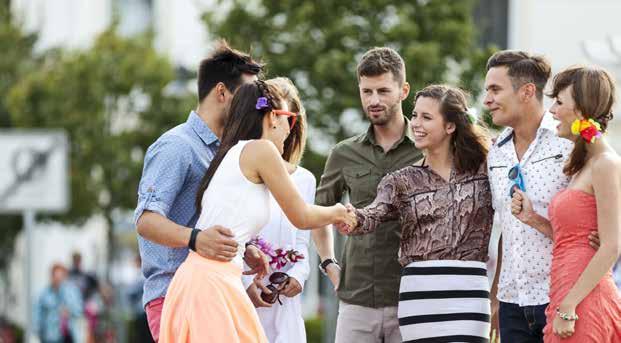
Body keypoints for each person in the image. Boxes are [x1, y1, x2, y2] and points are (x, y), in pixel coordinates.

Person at [158, 80, 354, 342]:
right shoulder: (261, 150)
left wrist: (247, 250)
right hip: (212, 286)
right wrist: (339, 212)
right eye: (290, 120)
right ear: (273, 117)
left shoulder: (233, 154)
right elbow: (302, 216)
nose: (289, 131)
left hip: (209, 280)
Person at [338, 84, 493, 342]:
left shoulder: (485, 170)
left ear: (451, 126)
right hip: (420, 297)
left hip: (470, 295)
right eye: (416, 115)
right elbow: (373, 214)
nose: (416, 124)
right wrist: (352, 218)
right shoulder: (400, 180)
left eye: (426, 117)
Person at [133, 40, 265, 342]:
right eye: (249, 97)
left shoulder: (230, 152)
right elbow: (146, 221)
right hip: (173, 296)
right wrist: (196, 239)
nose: (255, 107)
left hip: (214, 295)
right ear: (221, 92)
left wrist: (244, 252)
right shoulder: (176, 147)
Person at [314, 46, 421, 343]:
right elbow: (318, 214)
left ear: (404, 90)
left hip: (413, 298)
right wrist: (328, 264)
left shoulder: (428, 150)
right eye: (367, 91)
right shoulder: (343, 153)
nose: (374, 100)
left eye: (383, 91)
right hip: (356, 298)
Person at [511, 65, 621, 342]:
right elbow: (570, 239)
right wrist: (533, 218)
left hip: (583, 298)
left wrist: (570, 306)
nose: (552, 111)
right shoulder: (584, 165)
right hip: (564, 291)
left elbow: (611, 245)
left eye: (559, 102)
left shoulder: (606, 164)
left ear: (582, 109)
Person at [483, 50, 573, 343]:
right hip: (512, 303)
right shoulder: (495, 153)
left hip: (561, 297)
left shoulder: (569, 144)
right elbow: (505, 229)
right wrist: (496, 297)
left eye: (495, 90)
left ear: (527, 91)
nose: (487, 100)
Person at [242, 77, 314, 343]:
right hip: (246, 297)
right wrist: (246, 283)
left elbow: (302, 242)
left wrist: (298, 276)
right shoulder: (241, 172)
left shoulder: (305, 180)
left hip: (285, 305)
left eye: (290, 122)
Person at [34, 263, 83, 343]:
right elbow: (38, 316)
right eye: (55, 277)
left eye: (60, 277)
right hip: (51, 336)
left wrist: (69, 311)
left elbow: (79, 310)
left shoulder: (73, 292)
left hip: (69, 335)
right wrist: (39, 332)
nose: (58, 280)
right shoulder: (44, 294)